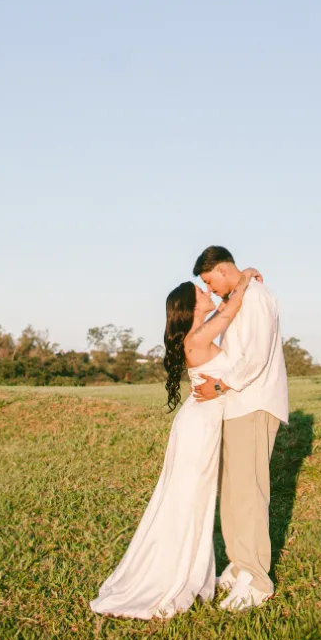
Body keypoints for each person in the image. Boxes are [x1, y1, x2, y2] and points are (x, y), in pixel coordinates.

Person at [89, 265, 262, 620]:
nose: (207, 290)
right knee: (188, 501)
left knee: (192, 501)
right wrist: (245, 277)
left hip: (203, 422)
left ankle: (188, 570)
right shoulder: (197, 336)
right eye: (201, 291)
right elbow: (231, 308)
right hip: (199, 428)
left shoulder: (198, 332)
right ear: (192, 305)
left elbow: (225, 310)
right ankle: (170, 576)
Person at [192, 245, 289, 612]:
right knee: (233, 493)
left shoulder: (258, 297)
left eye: (208, 280)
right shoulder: (240, 293)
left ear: (221, 268)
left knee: (250, 492)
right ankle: (239, 563)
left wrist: (218, 386)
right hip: (236, 406)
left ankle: (258, 579)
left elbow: (257, 355)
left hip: (254, 403)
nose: (210, 288)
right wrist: (242, 278)